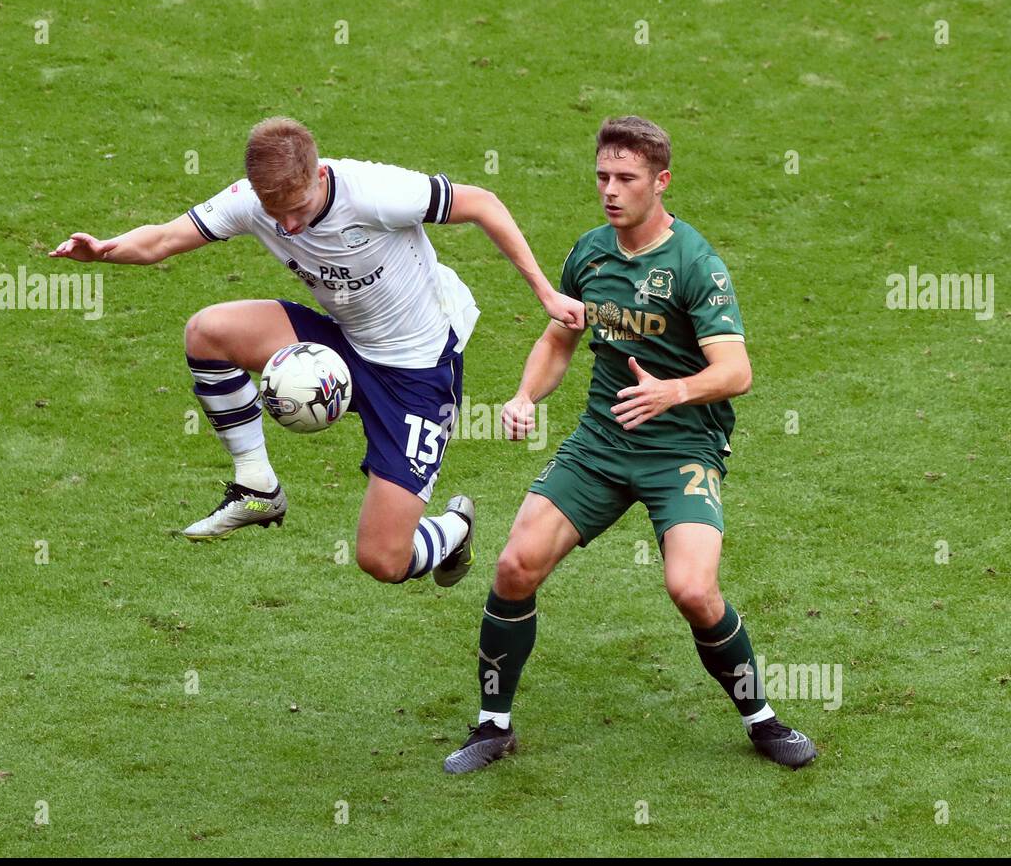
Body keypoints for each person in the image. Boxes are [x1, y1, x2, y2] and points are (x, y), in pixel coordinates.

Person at [51, 117, 584, 586]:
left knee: (382, 561)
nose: (285, 225)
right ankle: (256, 485)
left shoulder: (375, 191)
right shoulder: (252, 201)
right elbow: (164, 240)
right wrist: (104, 251)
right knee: (207, 332)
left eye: (297, 208)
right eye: (273, 211)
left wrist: (544, 290)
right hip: (343, 341)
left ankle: (452, 529)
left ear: (320, 176)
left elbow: (482, 204)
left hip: (416, 375)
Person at [443, 116, 817, 771]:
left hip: (682, 450)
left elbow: (737, 372)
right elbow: (558, 339)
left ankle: (762, 720)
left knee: (693, 591)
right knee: (513, 567)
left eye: (626, 178)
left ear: (661, 181)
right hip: (600, 445)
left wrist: (670, 393)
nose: (610, 190)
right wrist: (526, 396)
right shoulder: (589, 253)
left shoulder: (695, 264)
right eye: (602, 177)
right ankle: (492, 726)